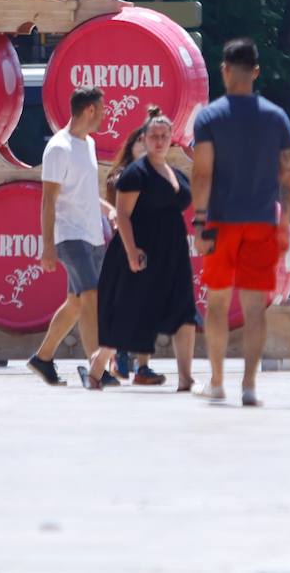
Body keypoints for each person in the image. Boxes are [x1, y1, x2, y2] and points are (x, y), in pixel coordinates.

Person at [190, 38, 290, 407]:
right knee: (255, 308)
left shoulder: (209, 117)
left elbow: (202, 175)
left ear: (223, 70)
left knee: (217, 305)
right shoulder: (276, 117)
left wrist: (200, 221)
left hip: (221, 222)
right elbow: (289, 177)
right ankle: (249, 385)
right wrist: (284, 224)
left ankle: (218, 381)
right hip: (262, 223)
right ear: (256, 71)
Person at [83, 108, 198, 392]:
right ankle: (98, 367)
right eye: (153, 136)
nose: (159, 141)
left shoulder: (177, 174)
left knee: (185, 313)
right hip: (142, 251)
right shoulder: (136, 173)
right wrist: (132, 251)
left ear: (172, 139)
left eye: (164, 136)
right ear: (145, 139)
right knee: (129, 314)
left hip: (173, 252)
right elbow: (122, 215)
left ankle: (185, 378)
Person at [27, 87, 112, 387]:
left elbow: (85, 193)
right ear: (89, 110)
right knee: (91, 296)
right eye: (102, 109)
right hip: (69, 236)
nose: (104, 115)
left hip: (92, 235)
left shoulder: (88, 144)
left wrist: (108, 210)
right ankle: (97, 370)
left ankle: (43, 358)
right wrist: (47, 246)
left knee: (76, 302)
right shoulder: (58, 148)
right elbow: (48, 200)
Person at [104, 125, 161, 385]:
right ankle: (117, 355)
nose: (144, 145)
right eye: (140, 140)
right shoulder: (120, 175)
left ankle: (144, 366)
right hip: (125, 245)